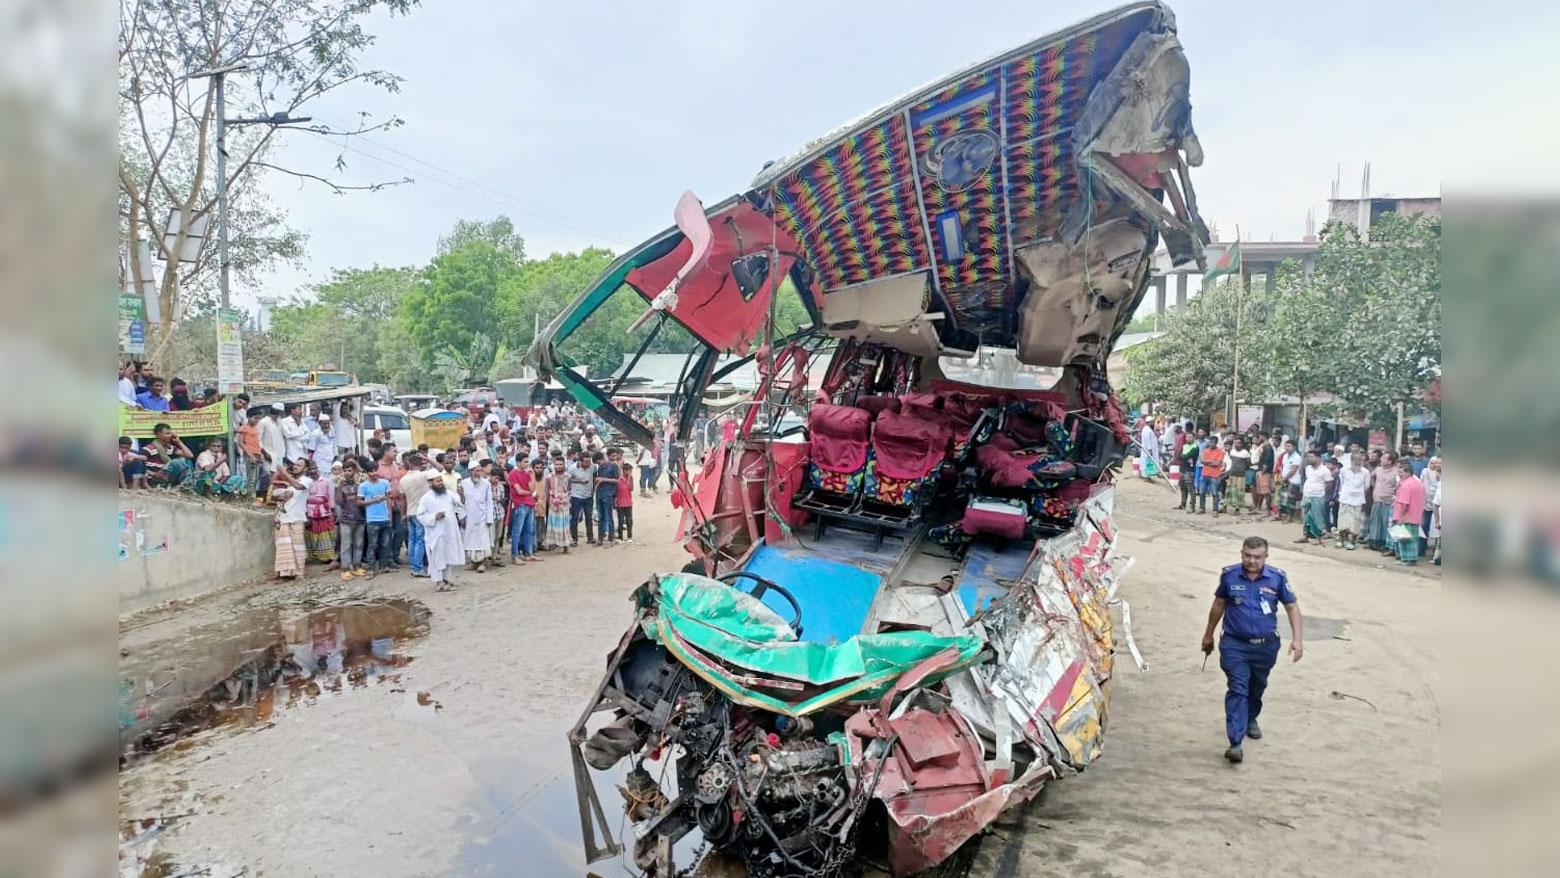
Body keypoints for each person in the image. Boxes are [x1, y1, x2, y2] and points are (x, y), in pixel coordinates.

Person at [1200, 536, 1304, 764]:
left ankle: (1250, 718)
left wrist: (1298, 640)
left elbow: (1291, 607)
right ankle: (1235, 742)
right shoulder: (1229, 576)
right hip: (1235, 644)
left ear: (1266, 557)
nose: (1252, 561)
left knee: (1257, 686)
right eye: (1247, 555)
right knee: (1238, 687)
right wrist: (1208, 634)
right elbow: (1218, 605)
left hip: (1265, 647)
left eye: (1257, 557)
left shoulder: (1277, 578)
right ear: (1241, 553)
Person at [415, 473, 466, 592]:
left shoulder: (448, 494)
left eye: (440, 481)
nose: (440, 483)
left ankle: (446, 579)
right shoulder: (425, 498)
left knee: (449, 554)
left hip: (450, 531)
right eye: (437, 481)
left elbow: (459, 502)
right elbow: (420, 515)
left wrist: (461, 494)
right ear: (430, 483)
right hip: (436, 533)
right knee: (438, 557)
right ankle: (439, 582)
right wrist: (434, 517)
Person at [271, 461, 311, 579]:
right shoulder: (287, 483)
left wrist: (285, 473)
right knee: (283, 545)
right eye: (295, 464)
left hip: (297, 517)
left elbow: (298, 486)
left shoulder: (307, 480)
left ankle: (299, 573)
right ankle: (283, 572)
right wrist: (276, 515)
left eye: (299, 465)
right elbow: (277, 499)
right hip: (283, 517)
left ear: (305, 469)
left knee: (298, 546)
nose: (295, 466)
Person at [357, 464, 393, 577]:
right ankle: (371, 568)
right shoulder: (363, 486)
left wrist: (389, 514)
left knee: (385, 543)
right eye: (371, 471)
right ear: (367, 473)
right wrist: (372, 501)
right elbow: (358, 502)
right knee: (372, 545)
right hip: (372, 519)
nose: (374, 473)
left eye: (375, 470)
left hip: (385, 518)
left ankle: (383, 566)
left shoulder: (385, 483)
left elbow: (388, 499)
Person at [400, 454, 432, 578]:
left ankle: (414, 566)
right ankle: (418, 567)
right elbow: (440, 469)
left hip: (410, 511)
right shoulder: (424, 476)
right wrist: (428, 459)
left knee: (412, 540)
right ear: (421, 463)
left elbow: (403, 499)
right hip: (421, 512)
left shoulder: (403, 479)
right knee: (420, 540)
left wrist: (403, 514)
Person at [461, 461, 495, 572]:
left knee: (482, 540)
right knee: (470, 540)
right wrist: (462, 516)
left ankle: (482, 563)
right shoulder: (464, 483)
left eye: (480, 471)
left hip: (482, 517)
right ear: (470, 472)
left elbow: (489, 502)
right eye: (476, 471)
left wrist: (489, 518)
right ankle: (474, 562)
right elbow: (461, 502)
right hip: (469, 516)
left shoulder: (486, 484)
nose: (478, 473)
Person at [1391, 459, 1425, 565]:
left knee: (1405, 539)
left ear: (1407, 472)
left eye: (1401, 472)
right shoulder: (1417, 482)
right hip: (1415, 516)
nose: (1399, 474)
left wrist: (1401, 517)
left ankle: (1407, 559)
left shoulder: (1406, 484)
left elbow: (1404, 504)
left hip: (1406, 516)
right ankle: (1410, 559)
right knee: (1412, 540)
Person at [335, 458, 366, 579]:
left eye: (350, 470)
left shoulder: (360, 485)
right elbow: (339, 502)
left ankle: (357, 566)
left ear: (354, 471)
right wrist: (340, 487)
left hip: (360, 519)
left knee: (359, 544)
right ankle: (345, 569)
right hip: (346, 520)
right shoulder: (341, 486)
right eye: (345, 471)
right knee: (346, 546)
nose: (347, 473)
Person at [303, 460, 337, 566]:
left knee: (326, 533)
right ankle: (314, 556)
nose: (313, 471)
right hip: (310, 512)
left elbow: (331, 496)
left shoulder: (326, 481)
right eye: (310, 469)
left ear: (318, 469)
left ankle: (328, 557)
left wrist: (332, 509)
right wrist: (305, 513)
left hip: (325, 512)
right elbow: (304, 499)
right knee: (312, 534)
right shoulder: (305, 483)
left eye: (314, 468)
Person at [1295, 451, 1332, 545]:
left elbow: (1329, 484)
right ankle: (1305, 536)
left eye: (1311, 457)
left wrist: (1322, 493)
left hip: (1318, 496)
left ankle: (1318, 539)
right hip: (1307, 494)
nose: (1309, 459)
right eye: (1308, 457)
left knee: (1317, 518)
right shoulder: (1308, 468)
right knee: (1306, 517)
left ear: (1319, 458)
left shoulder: (1325, 470)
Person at [507, 456, 539, 563]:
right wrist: (529, 493)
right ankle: (515, 555)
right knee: (517, 531)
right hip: (520, 504)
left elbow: (532, 488)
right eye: (525, 462)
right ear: (518, 462)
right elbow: (519, 491)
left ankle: (528, 553)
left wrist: (533, 475)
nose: (527, 464)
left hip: (529, 504)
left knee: (529, 530)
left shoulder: (527, 474)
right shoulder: (513, 474)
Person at [1335, 452, 1369, 550]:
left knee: (1355, 522)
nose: (1359, 462)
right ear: (1352, 460)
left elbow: (1366, 486)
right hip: (1345, 498)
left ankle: (1352, 542)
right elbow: (1341, 483)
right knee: (1342, 521)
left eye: (1361, 460)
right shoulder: (1344, 470)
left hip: (1357, 500)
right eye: (1357, 460)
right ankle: (1341, 540)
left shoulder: (1365, 472)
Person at [1367, 452, 1400, 551]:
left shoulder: (1397, 471)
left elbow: (1399, 486)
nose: (1381, 459)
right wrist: (1374, 486)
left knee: (1386, 522)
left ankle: (1384, 543)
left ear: (1390, 461)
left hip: (1389, 501)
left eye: (1384, 458)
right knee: (1374, 521)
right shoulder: (1378, 469)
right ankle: (1373, 541)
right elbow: (1371, 476)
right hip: (1377, 499)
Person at [544, 455, 572, 553]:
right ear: (553, 465)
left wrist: (564, 498)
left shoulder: (568, 476)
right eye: (556, 464)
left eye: (560, 464)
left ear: (564, 464)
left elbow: (569, 488)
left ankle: (566, 546)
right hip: (553, 503)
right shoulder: (549, 476)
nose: (558, 466)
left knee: (564, 524)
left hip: (564, 504)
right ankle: (552, 544)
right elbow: (546, 490)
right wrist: (549, 501)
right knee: (552, 524)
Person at [567, 451, 596, 546]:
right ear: (580, 461)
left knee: (589, 517)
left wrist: (593, 489)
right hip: (576, 496)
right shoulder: (572, 469)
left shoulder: (592, 467)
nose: (588, 464)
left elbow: (595, 476)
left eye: (589, 462)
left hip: (588, 496)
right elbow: (567, 479)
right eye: (586, 462)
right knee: (575, 518)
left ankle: (590, 537)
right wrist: (579, 480)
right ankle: (574, 539)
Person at [594, 449, 620, 546]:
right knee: (601, 517)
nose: (599, 464)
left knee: (609, 516)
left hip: (609, 494)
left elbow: (617, 480)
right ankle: (600, 538)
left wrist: (603, 479)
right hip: (600, 493)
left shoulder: (613, 466)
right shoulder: (600, 468)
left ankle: (611, 538)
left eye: (599, 462)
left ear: (602, 458)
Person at [1197, 435, 1227, 515]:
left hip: (1215, 475)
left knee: (1214, 493)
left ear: (1216, 443)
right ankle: (1201, 508)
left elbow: (1217, 463)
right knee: (1202, 492)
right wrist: (1211, 461)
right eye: (1210, 442)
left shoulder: (1220, 451)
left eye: (1213, 443)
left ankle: (1215, 510)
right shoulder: (1205, 450)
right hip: (1204, 474)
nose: (1211, 444)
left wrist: (1207, 462)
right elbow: (1202, 461)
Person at [258, 404, 286, 484]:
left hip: (279, 455)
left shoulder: (280, 422)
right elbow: (258, 439)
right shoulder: (263, 422)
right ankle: (262, 496)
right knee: (266, 477)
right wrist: (264, 452)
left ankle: (273, 495)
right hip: (267, 455)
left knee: (277, 477)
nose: (279, 416)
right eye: (278, 413)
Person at [1419, 457, 1441, 556]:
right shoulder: (1425, 472)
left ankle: (1436, 552)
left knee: (1438, 530)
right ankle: (1421, 549)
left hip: (1439, 506)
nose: (1434, 465)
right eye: (1432, 463)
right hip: (1426, 504)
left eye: (1437, 463)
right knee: (1424, 527)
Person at [1277, 440, 1302, 524]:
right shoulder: (1285, 455)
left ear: (1294, 447)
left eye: (1289, 446)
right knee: (1283, 498)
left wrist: (1285, 478)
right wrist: (1281, 475)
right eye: (1286, 446)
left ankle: (1290, 517)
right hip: (1284, 479)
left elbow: (1293, 470)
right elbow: (1282, 467)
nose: (1287, 448)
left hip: (1293, 480)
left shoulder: (1297, 457)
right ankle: (1282, 515)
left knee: (1291, 499)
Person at [1224, 436, 1250, 514]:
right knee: (1229, 491)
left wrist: (1242, 468)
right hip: (1232, 474)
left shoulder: (1245, 453)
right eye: (1235, 443)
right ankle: (1225, 507)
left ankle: (1237, 509)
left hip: (1241, 475)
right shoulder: (1232, 451)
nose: (1237, 444)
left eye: (1239, 443)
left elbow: (1248, 463)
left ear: (1242, 444)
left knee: (1239, 492)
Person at [1253, 434, 1277, 517]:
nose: (1258, 439)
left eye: (1259, 437)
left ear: (1263, 437)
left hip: (1265, 472)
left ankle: (1267, 510)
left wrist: (1262, 471)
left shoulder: (1267, 447)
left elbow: (1266, 461)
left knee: (1266, 491)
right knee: (1260, 491)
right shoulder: (1266, 446)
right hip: (1262, 471)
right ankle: (1258, 508)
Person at [1175, 427, 1198, 512]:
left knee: (1191, 488)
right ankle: (1183, 503)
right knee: (1182, 487)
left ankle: (1192, 506)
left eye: (1190, 437)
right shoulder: (1184, 446)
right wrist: (1184, 457)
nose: (1188, 438)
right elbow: (1179, 455)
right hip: (1182, 469)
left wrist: (1184, 457)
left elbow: (1184, 456)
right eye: (1187, 437)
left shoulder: (1195, 447)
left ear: (1194, 438)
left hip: (1189, 470)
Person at [616, 462, 635, 543]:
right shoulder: (619, 479)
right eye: (628, 471)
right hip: (620, 502)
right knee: (620, 520)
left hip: (628, 502)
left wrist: (629, 478)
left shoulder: (631, 478)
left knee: (629, 520)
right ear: (624, 470)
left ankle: (629, 536)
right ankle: (620, 536)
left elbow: (631, 488)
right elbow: (616, 490)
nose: (629, 473)